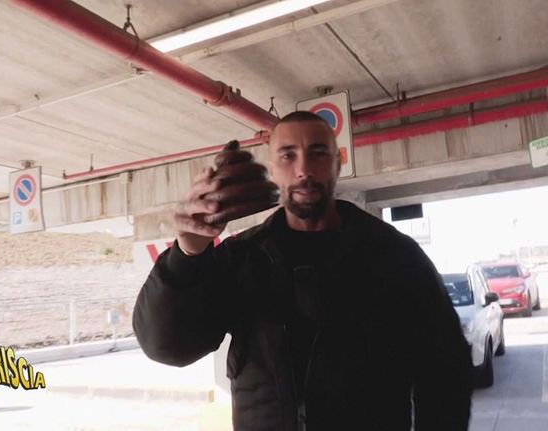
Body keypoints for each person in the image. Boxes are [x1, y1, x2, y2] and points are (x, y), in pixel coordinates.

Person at [132, 111, 473, 431]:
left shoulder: (394, 255)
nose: (303, 169)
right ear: (272, 170)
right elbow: (168, 347)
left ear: (338, 163)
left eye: (318, 153)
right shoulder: (242, 258)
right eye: (288, 155)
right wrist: (186, 256)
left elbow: (445, 372)